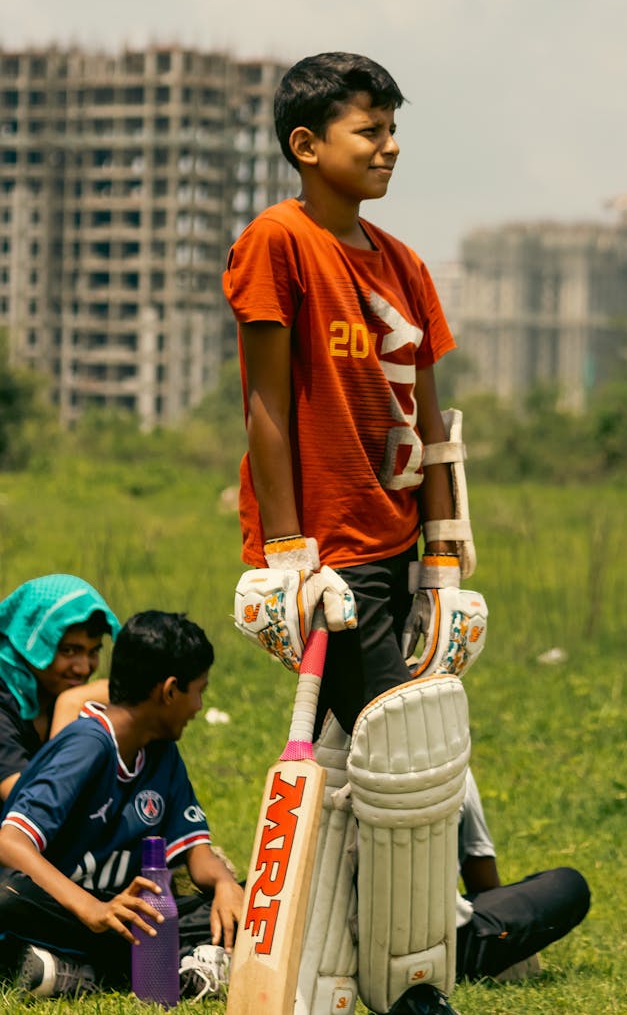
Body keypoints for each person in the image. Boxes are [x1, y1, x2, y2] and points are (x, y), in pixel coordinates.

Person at [224, 53, 478, 1015]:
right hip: (329, 552)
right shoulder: (277, 243)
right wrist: (290, 555)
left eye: (392, 128)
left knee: (369, 757)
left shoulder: (404, 264)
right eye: (369, 130)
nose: (390, 146)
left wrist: (446, 560)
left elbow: (438, 420)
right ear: (307, 145)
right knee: (400, 757)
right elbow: (264, 402)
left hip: (402, 547)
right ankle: (412, 988)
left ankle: (330, 967)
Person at [0, 610, 245, 1000]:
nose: (199, 706)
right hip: (60, 906)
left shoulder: (164, 754)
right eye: (198, 690)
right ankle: (166, 961)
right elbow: (10, 843)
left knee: (249, 907)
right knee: (7, 898)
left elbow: (198, 857)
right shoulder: (87, 745)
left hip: (122, 915)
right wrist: (90, 908)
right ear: (168, 691)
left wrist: (227, 886)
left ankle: (69, 969)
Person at [455, 769, 590, 984]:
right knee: (568, 883)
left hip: (381, 952)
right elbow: (483, 881)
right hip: (450, 950)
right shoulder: (453, 767)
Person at [0, 573, 120, 811]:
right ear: (31, 643)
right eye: (68, 651)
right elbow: (35, 806)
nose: (84, 668)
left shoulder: (58, 691)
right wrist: (71, 703)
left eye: (93, 652)